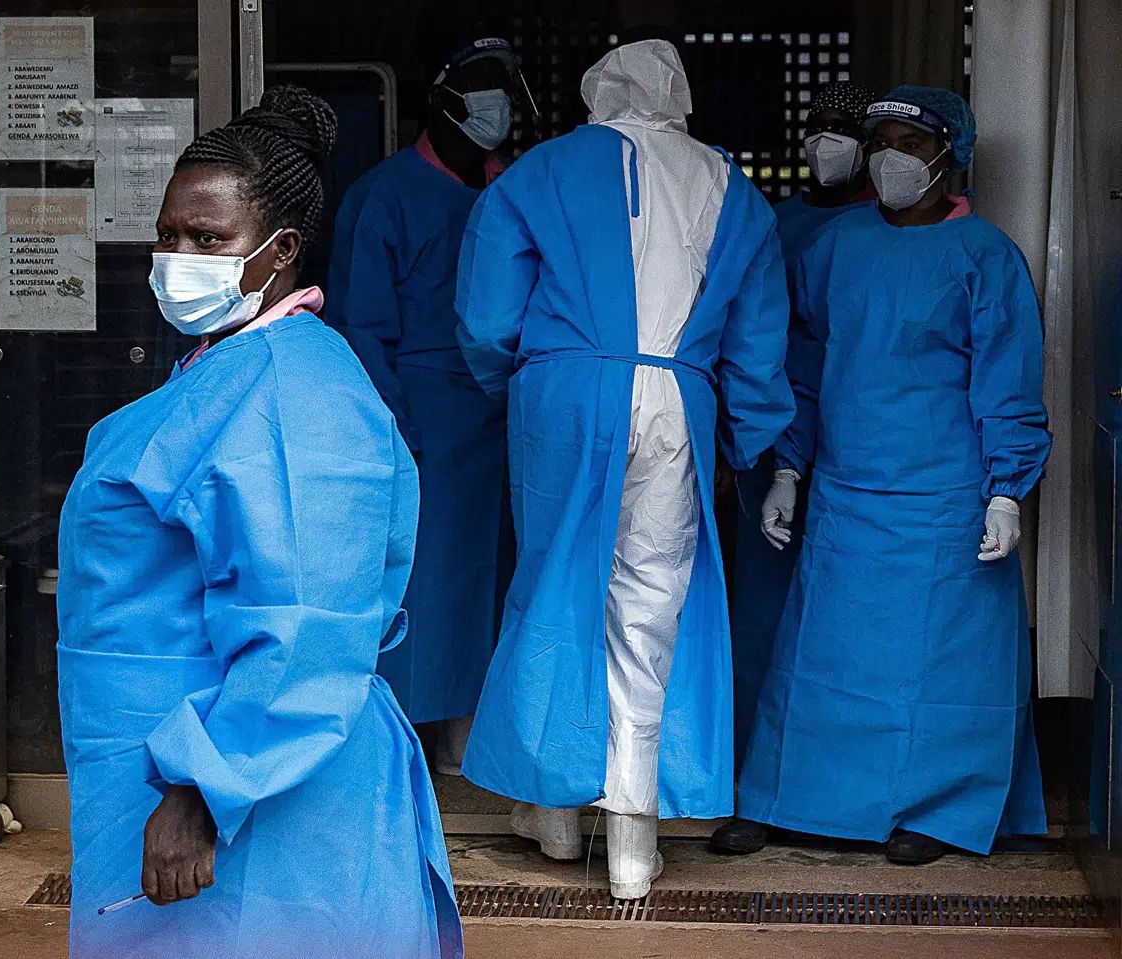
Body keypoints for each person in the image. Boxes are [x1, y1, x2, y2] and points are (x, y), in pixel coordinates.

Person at [56, 87, 462, 959]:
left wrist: (204, 789)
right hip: (182, 764)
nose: (177, 257)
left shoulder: (294, 394)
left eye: (208, 240)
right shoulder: (227, 367)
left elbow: (304, 620)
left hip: (249, 786)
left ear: (278, 252)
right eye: (168, 234)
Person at [454, 40, 794, 900]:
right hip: (679, 395)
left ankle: (560, 818)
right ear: (678, 96)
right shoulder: (733, 189)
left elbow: (489, 317)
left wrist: (526, 383)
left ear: (598, 94)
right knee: (650, 610)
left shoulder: (537, 173)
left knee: (556, 588)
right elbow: (758, 342)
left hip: (566, 391)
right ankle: (633, 842)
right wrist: (752, 438)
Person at [714, 86, 1051, 866]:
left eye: (909, 141)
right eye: (881, 140)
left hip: (945, 501)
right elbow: (801, 366)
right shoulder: (837, 246)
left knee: (938, 661)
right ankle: (788, 797)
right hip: (845, 493)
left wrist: (1007, 490)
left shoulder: (985, 257)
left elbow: (1009, 381)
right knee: (821, 657)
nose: (890, 156)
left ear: (948, 158)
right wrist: (788, 468)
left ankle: (938, 809)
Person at [327, 38, 521, 773]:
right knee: (427, 583)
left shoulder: (518, 191)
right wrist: (396, 429)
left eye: (504, 87)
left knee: (501, 583)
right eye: (480, 86)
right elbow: (364, 327)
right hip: (425, 424)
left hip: (508, 417)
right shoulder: (385, 196)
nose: (494, 101)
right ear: (442, 100)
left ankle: (482, 740)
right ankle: (412, 746)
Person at [729, 81, 878, 761]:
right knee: (763, 608)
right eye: (817, 126)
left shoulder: (890, 234)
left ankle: (830, 766)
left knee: (847, 614)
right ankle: (756, 760)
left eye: (842, 128)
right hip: (768, 437)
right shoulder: (770, 222)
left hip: (859, 446)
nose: (826, 141)